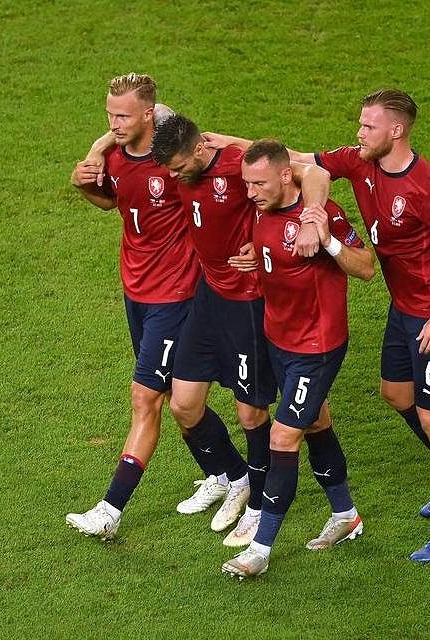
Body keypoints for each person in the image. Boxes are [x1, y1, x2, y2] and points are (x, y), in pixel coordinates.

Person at [206, 88, 430, 563]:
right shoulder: (361, 163)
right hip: (405, 308)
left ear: (396, 130)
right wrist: (224, 142)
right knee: (397, 394)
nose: (359, 133)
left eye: (368, 126)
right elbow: (295, 161)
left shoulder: (428, 187)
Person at [65, 73, 244, 540]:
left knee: (146, 399)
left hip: (178, 295)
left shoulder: (177, 163)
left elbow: (226, 194)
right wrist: (84, 179)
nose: (114, 122)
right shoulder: (115, 157)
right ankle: (230, 476)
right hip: (136, 291)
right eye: (109, 114)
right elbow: (112, 204)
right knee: (171, 398)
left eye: (123, 115)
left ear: (150, 114)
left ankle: (109, 510)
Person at [151, 116, 332, 546]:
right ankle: (236, 478)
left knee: (251, 411)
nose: (173, 177)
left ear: (198, 150)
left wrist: (311, 219)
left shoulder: (235, 165)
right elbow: (146, 109)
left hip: (248, 302)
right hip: (208, 296)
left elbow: (315, 172)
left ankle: (255, 507)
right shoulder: (183, 152)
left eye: (178, 167)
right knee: (183, 404)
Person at [220, 140, 375, 578]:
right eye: (247, 184)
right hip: (278, 339)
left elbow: (365, 268)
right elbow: (276, 252)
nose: (250, 192)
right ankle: (346, 515)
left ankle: (260, 549)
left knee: (283, 438)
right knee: (316, 421)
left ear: (286, 176)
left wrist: (326, 241)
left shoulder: (323, 215)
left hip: (316, 346)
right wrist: (260, 258)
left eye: (259, 184)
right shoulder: (261, 209)